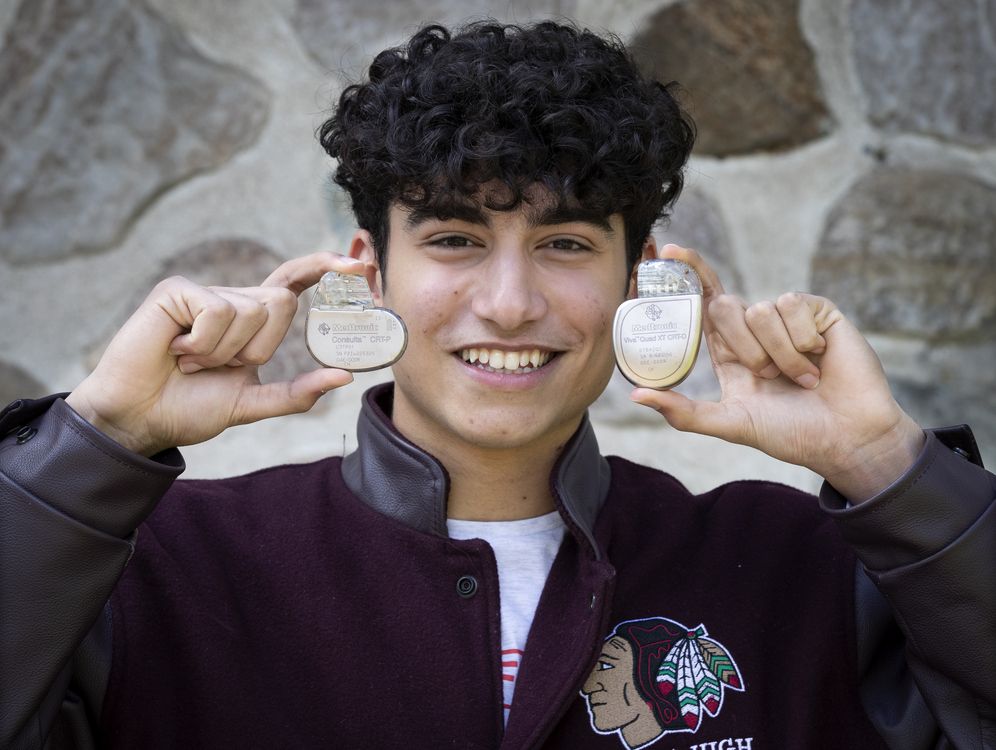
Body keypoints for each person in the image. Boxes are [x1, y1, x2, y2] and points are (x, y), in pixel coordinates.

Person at [1, 19, 992, 750]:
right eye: (454, 240)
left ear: (638, 276)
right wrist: (95, 443)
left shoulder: (797, 571)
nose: (511, 304)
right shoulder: (164, 569)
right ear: (369, 271)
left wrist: (883, 465)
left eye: (564, 243)